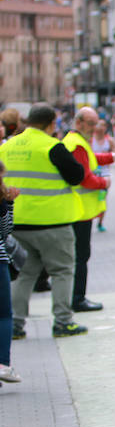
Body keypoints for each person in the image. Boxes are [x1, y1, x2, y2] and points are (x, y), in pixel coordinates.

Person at [1, 103, 95, 340]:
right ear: (52, 123)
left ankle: (15, 325)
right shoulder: (53, 146)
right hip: (53, 222)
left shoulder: (7, 147)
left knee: (24, 275)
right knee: (62, 271)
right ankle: (63, 322)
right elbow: (76, 176)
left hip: (18, 222)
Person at [63, 107, 115, 313]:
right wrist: (105, 182)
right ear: (79, 123)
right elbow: (85, 177)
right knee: (80, 256)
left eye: (96, 124)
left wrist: (112, 156)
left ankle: (74, 297)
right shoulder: (76, 144)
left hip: (77, 209)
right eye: (91, 124)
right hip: (79, 210)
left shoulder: (75, 141)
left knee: (76, 256)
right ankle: (78, 299)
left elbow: (91, 158)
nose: (94, 129)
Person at [0, 160, 20, 386]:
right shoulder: (2, 201)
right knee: (3, 315)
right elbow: (5, 232)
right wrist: (9, 204)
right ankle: (3, 364)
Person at [91, 118, 115, 233]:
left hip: (105, 173)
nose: (100, 127)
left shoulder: (109, 140)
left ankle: (100, 222)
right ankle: (90, 216)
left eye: (103, 125)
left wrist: (108, 155)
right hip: (92, 172)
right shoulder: (90, 140)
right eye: (98, 125)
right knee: (92, 196)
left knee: (102, 197)